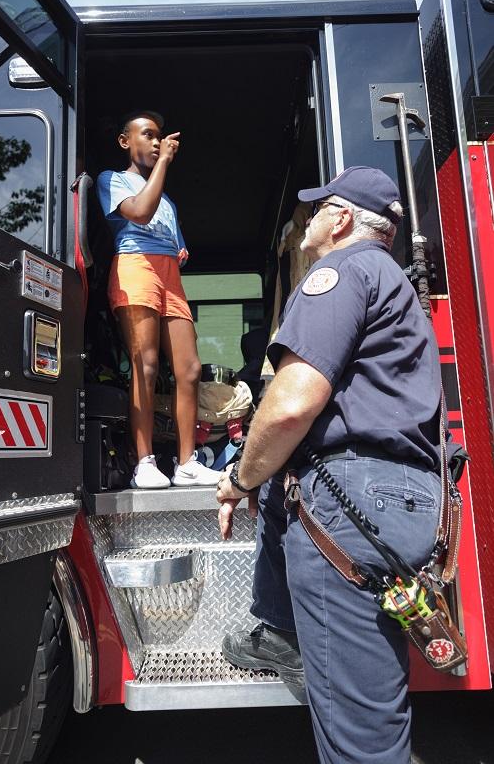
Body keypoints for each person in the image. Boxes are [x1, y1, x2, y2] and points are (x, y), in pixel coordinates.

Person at [216, 166, 443, 764]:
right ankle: (283, 633)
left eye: (316, 210)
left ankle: (281, 634)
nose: (307, 221)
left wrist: (237, 478)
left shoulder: (339, 271)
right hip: (402, 499)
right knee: (369, 711)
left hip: (348, 506)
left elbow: (291, 405)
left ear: (341, 219)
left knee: (361, 741)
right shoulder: (394, 283)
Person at [97, 111, 221, 489]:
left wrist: (179, 250)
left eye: (160, 137)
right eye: (147, 135)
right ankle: (145, 463)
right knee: (146, 365)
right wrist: (165, 160)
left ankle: (187, 463)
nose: (156, 143)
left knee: (190, 369)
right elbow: (139, 212)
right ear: (125, 141)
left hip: (168, 276)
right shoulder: (112, 179)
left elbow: (177, 243)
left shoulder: (166, 197)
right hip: (135, 267)